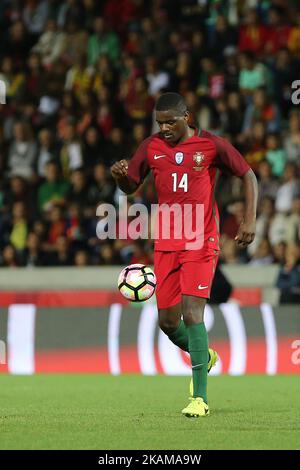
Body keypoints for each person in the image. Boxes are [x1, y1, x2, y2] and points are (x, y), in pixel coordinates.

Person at [111, 93, 257, 418]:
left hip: (200, 241)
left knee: (193, 313)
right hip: (165, 242)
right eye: (160, 122)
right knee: (166, 321)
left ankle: (200, 398)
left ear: (187, 117)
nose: (164, 128)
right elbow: (130, 185)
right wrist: (120, 175)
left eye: (170, 122)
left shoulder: (211, 146)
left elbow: (248, 175)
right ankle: (204, 355)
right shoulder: (151, 147)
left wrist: (249, 218)